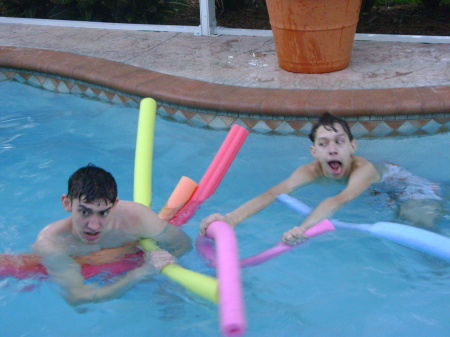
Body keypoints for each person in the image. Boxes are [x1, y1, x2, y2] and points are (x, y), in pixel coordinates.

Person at [200, 113, 443, 244]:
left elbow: (339, 200)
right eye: (324, 144)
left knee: (418, 223)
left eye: (339, 142)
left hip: (406, 185)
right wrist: (231, 218)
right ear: (314, 152)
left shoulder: (363, 169)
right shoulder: (310, 171)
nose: (332, 149)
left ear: (352, 146)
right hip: (378, 193)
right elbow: (273, 193)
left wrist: (304, 228)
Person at [32, 164, 192, 305]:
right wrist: (138, 274)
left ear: (114, 205)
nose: (93, 226)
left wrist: (162, 269)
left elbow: (183, 244)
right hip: (105, 274)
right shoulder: (52, 242)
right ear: (67, 203)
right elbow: (78, 298)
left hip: (135, 264)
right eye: (84, 212)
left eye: (103, 213)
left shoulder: (136, 218)